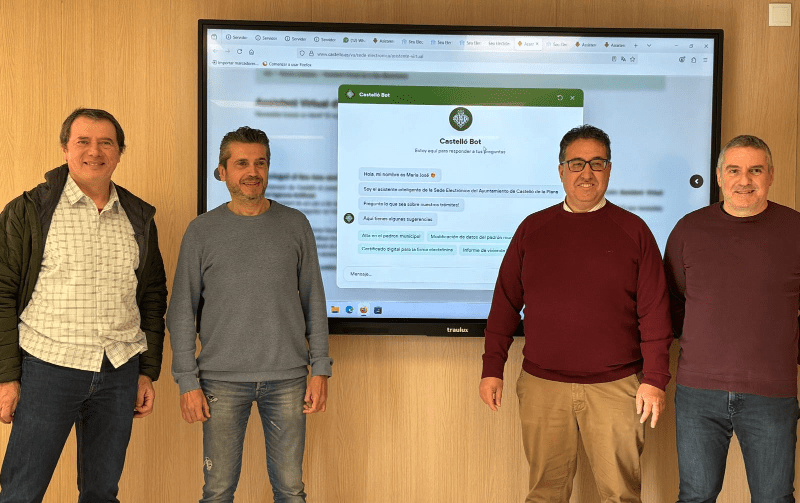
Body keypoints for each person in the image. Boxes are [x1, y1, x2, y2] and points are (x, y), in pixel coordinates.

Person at [479, 124, 673, 503]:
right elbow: (504, 303)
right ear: (561, 170)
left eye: (597, 163)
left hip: (617, 388)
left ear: (609, 170)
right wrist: (492, 368)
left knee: (621, 496)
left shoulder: (634, 231)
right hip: (542, 387)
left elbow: (655, 313)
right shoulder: (532, 230)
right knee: (544, 495)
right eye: (576, 163)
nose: (587, 173)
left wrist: (655, 379)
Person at [0, 108, 168, 502]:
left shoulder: (138, 217)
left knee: (102, 492)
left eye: (106, 142)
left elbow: (152, 296)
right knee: (21, 492)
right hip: (47, 368)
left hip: (118, 372)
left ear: (120, 152)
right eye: (83, 141)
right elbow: (3, 292)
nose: (95, 151)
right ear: (65, 149)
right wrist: (6, 377)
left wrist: (146, 371)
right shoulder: (29, 210)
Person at [168, 126, 331, 503]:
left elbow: (315, 301)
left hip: (288, 377)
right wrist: (186, 381)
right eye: (241, 163)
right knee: (217, 492)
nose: (252, 172)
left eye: (260, 162)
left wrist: (321, 368)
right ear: (223, 171)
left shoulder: (296, 225)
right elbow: (181, 311)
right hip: (220, 380)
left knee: (291, 491)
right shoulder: (201, 231)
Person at [664, 135, 800, 503]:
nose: (744, 181)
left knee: (774, 498)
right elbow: (674, 300)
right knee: (695, 496)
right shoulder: (688, 230)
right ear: (719, 176)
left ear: (770, 175)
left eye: (755, 170)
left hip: (772, 393)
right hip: (698, 392)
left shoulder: (795, 229)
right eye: (734, 170)